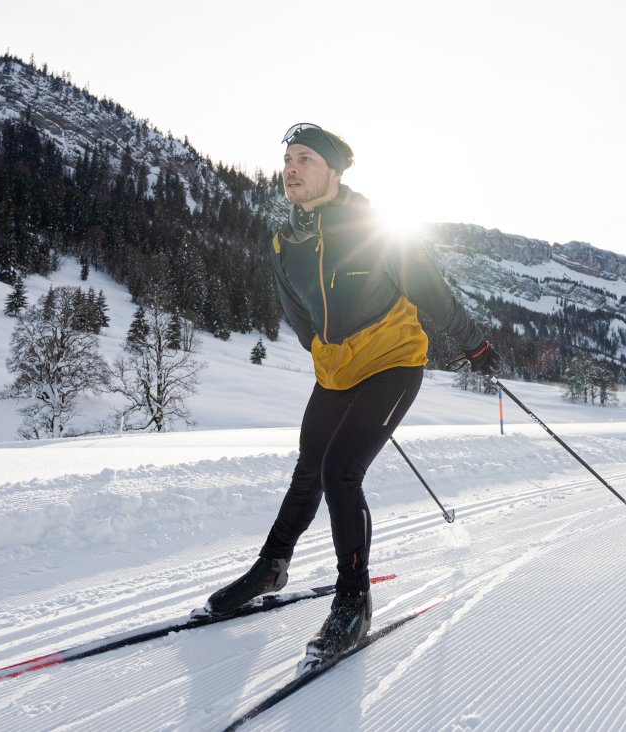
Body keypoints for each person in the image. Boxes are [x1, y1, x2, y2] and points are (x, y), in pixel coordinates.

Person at [206, 122, 500, 661]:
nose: (291, 168)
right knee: (309, 469)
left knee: (341, 472)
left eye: (305, 160)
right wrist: (323, 348)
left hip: (393, 362)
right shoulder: (283, 240)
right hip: (337, 370)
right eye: (289, 158)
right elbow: (295, 310)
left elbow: (430, 287)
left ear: (334, 173)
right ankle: (271, 567)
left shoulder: (373, 226)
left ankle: (353, 601)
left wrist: (474, 344)